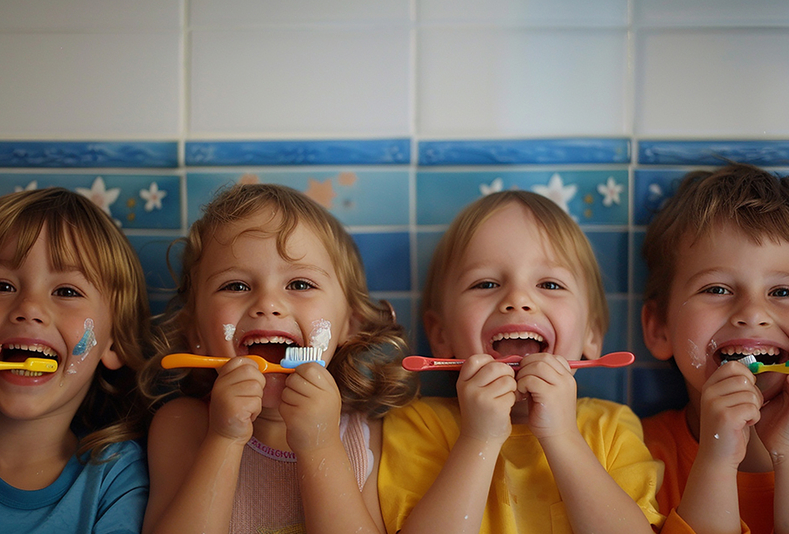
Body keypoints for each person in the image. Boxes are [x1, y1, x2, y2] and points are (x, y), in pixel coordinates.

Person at [139, 183, 419, 534]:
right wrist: (224, 439)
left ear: (351, 323)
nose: (267, 304)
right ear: (195, 331)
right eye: (236, 286)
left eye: (300, 284)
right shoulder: (183, 425)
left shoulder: (365, 434)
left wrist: (320, 445)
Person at [379, 190, 663, 534]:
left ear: (592, 334)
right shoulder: (417, 425)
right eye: (486, 283)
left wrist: (562, 436)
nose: (518, 299)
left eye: (550, 284)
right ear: (441, 335)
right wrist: (478, 439)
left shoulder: (612, 428)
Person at [640, 163, 789, 534]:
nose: (753, 313)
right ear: (659, 328)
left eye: (783, 292)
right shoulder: (633, 452)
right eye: (717, 289)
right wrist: (716, 461)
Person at [0, 187, 150, 533]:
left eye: (67, 292)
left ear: (115, 345)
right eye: (4, 286)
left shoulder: (115, 477)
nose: (29, 309)